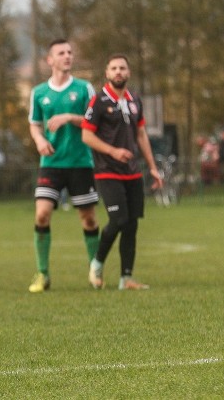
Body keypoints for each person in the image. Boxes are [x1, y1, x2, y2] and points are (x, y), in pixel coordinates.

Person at [82, 54, 162, 290]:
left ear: (128, 72)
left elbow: (141, 135)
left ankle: (126, 278)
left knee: (132, 224)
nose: (118, 71)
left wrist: (153, 168)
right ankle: (96, 264)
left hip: (133, 172)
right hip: (107, 171)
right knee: (118, 219)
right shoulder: (98, 101)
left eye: (122, 68)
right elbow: (86, 135)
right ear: (107, 73)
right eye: (114, 68)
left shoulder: (135, 99)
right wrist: (113, 151)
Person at [26, 38, 99, 293]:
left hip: (80, 162)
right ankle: (43, 274)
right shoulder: (39, 93)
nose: (67, 56)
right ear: (50, 60)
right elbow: (35, 123)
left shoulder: (84, 89)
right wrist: (39, 140)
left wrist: (69, 117)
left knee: (88, 220)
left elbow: (94, 121)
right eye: (61, 53)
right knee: (42, 214)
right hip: (51, 163)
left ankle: (95, 271)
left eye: (69, 52)